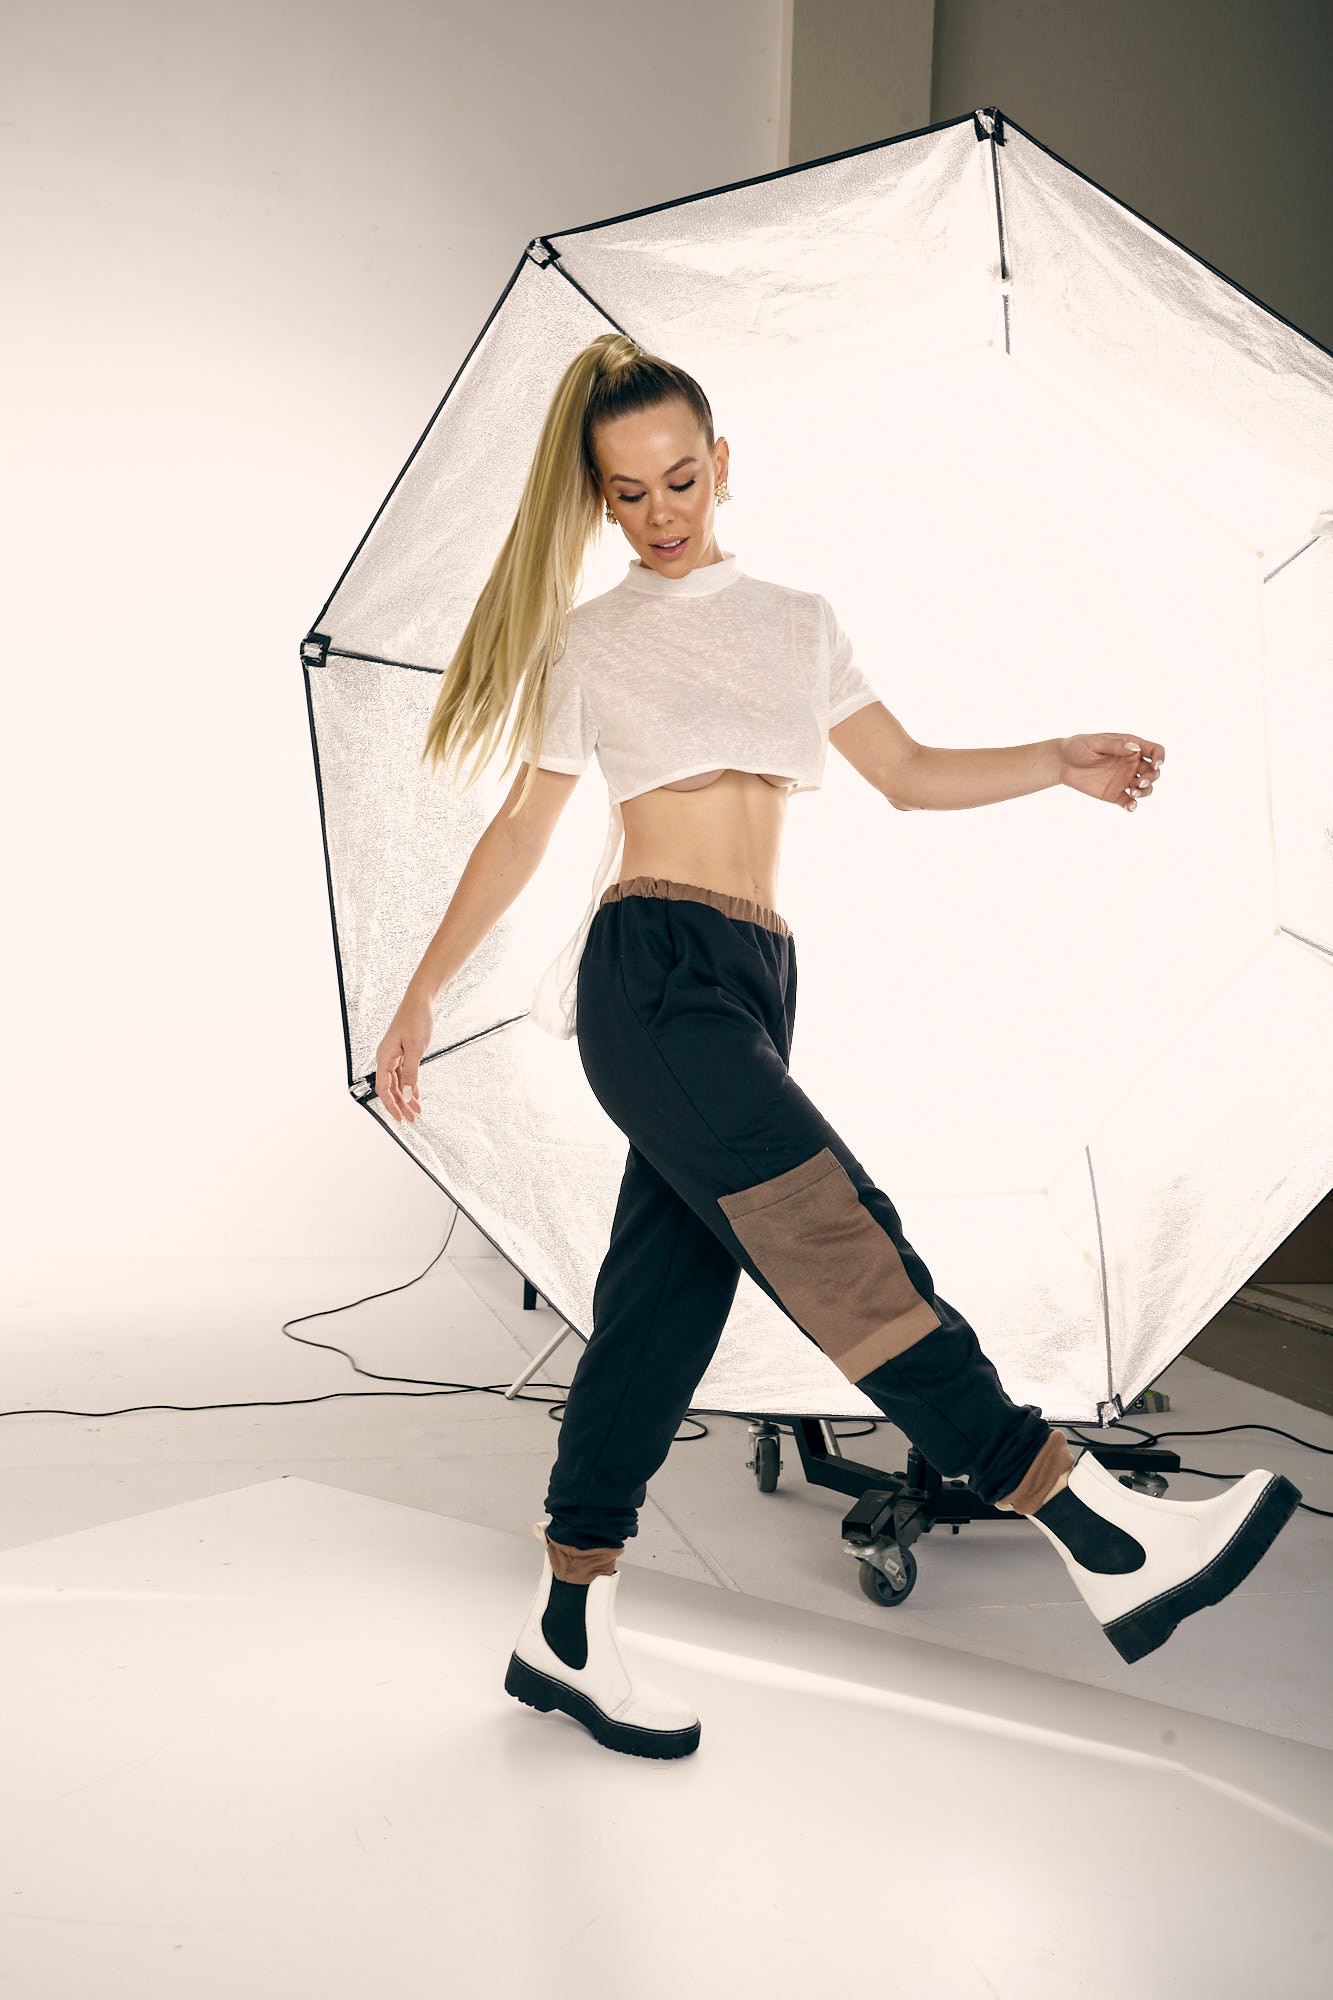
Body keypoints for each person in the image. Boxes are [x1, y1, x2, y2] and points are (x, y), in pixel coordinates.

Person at [373, 333, 1300, 1760]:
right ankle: (1083, 1515)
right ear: (601, 502)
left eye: (681, 479)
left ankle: (566, 1627)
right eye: (627, 494)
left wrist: (1054, 760)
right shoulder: (591, 642)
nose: (660, 512)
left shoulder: (797, 621)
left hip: (753, 978)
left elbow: (906, 775)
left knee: (658, 1314)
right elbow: (522, 826)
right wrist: (423, 991)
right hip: (651, 975)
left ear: (722, 464)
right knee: (832, 1232)